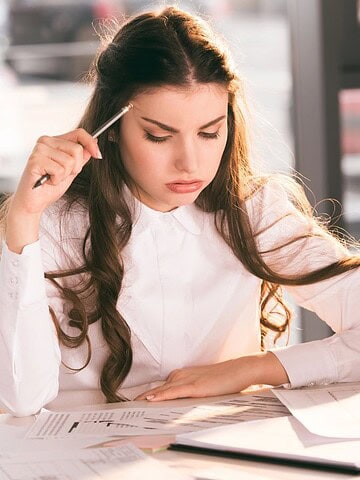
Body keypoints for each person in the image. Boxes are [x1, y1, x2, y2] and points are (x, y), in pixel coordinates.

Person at [0, 6, 359, 417]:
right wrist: (24, 219)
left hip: (219, 454)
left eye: (210, 132)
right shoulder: (60, 223)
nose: (190, 163)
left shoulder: (254, 211)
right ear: (112, 128)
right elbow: (20, 397)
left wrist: (252, 369)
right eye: (158, 136)